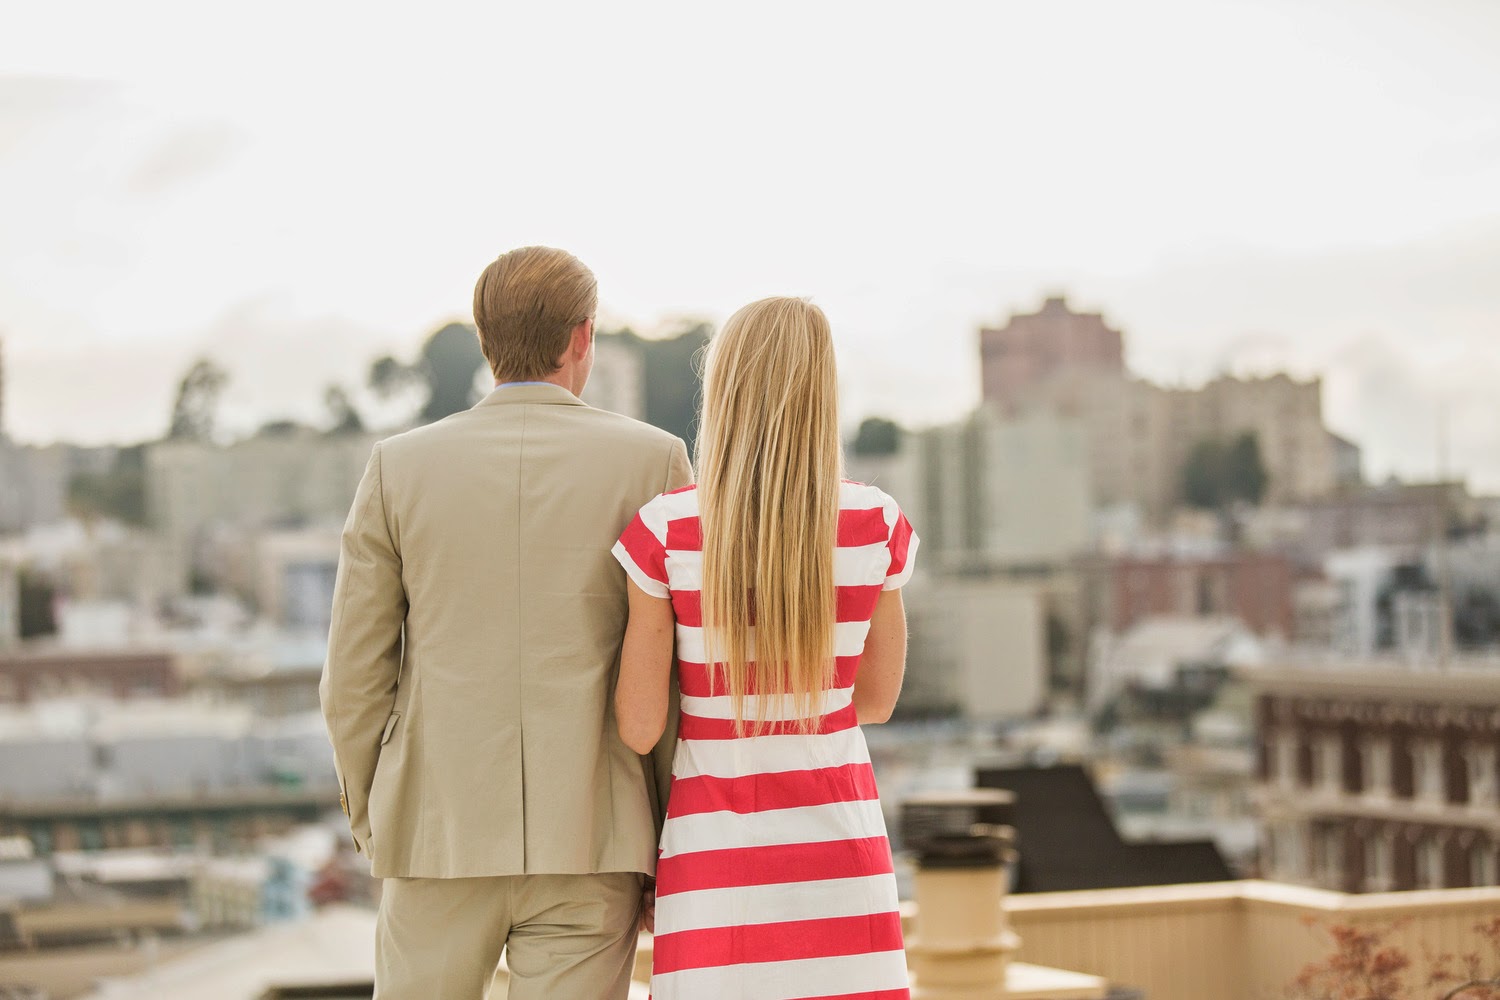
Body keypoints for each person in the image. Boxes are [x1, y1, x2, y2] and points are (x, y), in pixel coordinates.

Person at [320, 246, 693, 999]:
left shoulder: (398, 466)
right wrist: (666, 839)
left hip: (436, 834)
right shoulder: (654, 462)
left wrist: (379, 819)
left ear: (485, 339)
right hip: (595, 838)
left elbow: (353, 680)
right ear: (584, 336)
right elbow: (675, 680)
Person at [611, 296, 918, 999]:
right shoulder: (875, 522)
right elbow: (875, 701)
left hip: (714, 861)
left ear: (724, 388)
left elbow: (639, 725)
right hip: (841, 857)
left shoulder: (667, 530)